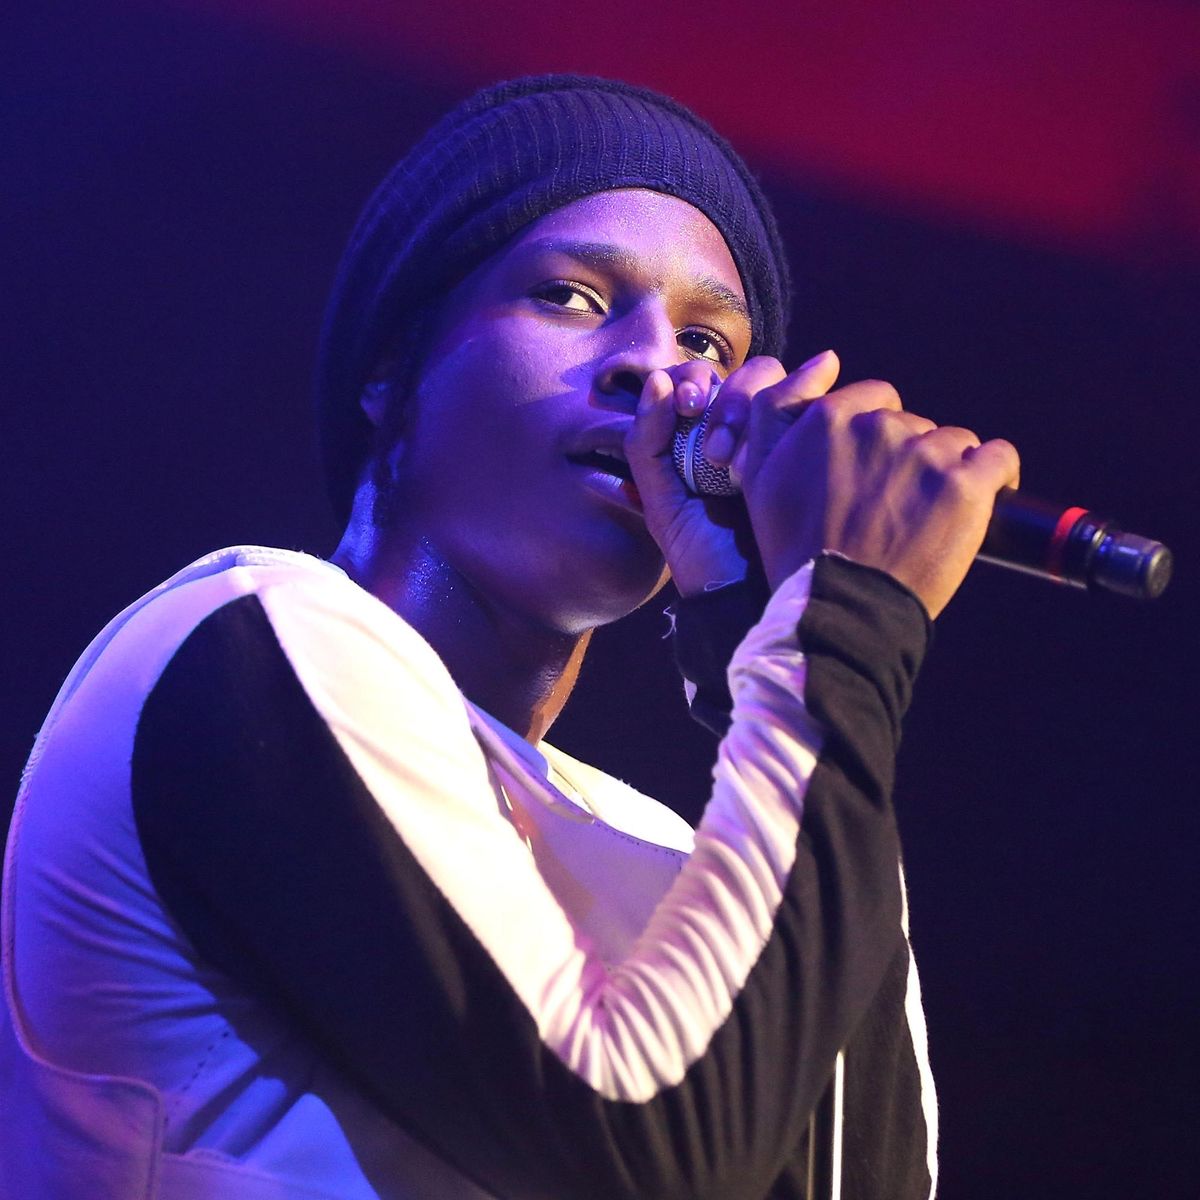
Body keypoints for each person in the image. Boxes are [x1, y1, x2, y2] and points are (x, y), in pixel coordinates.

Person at [0, 75, 1018, 1199]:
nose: (658, 370)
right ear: (390, 368)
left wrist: (763, 640)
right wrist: (844, 630)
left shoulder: (661, 847)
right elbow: (650, 1150)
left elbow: (854, 1177)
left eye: (706, 340)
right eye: (572, 297)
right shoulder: (256, 634)